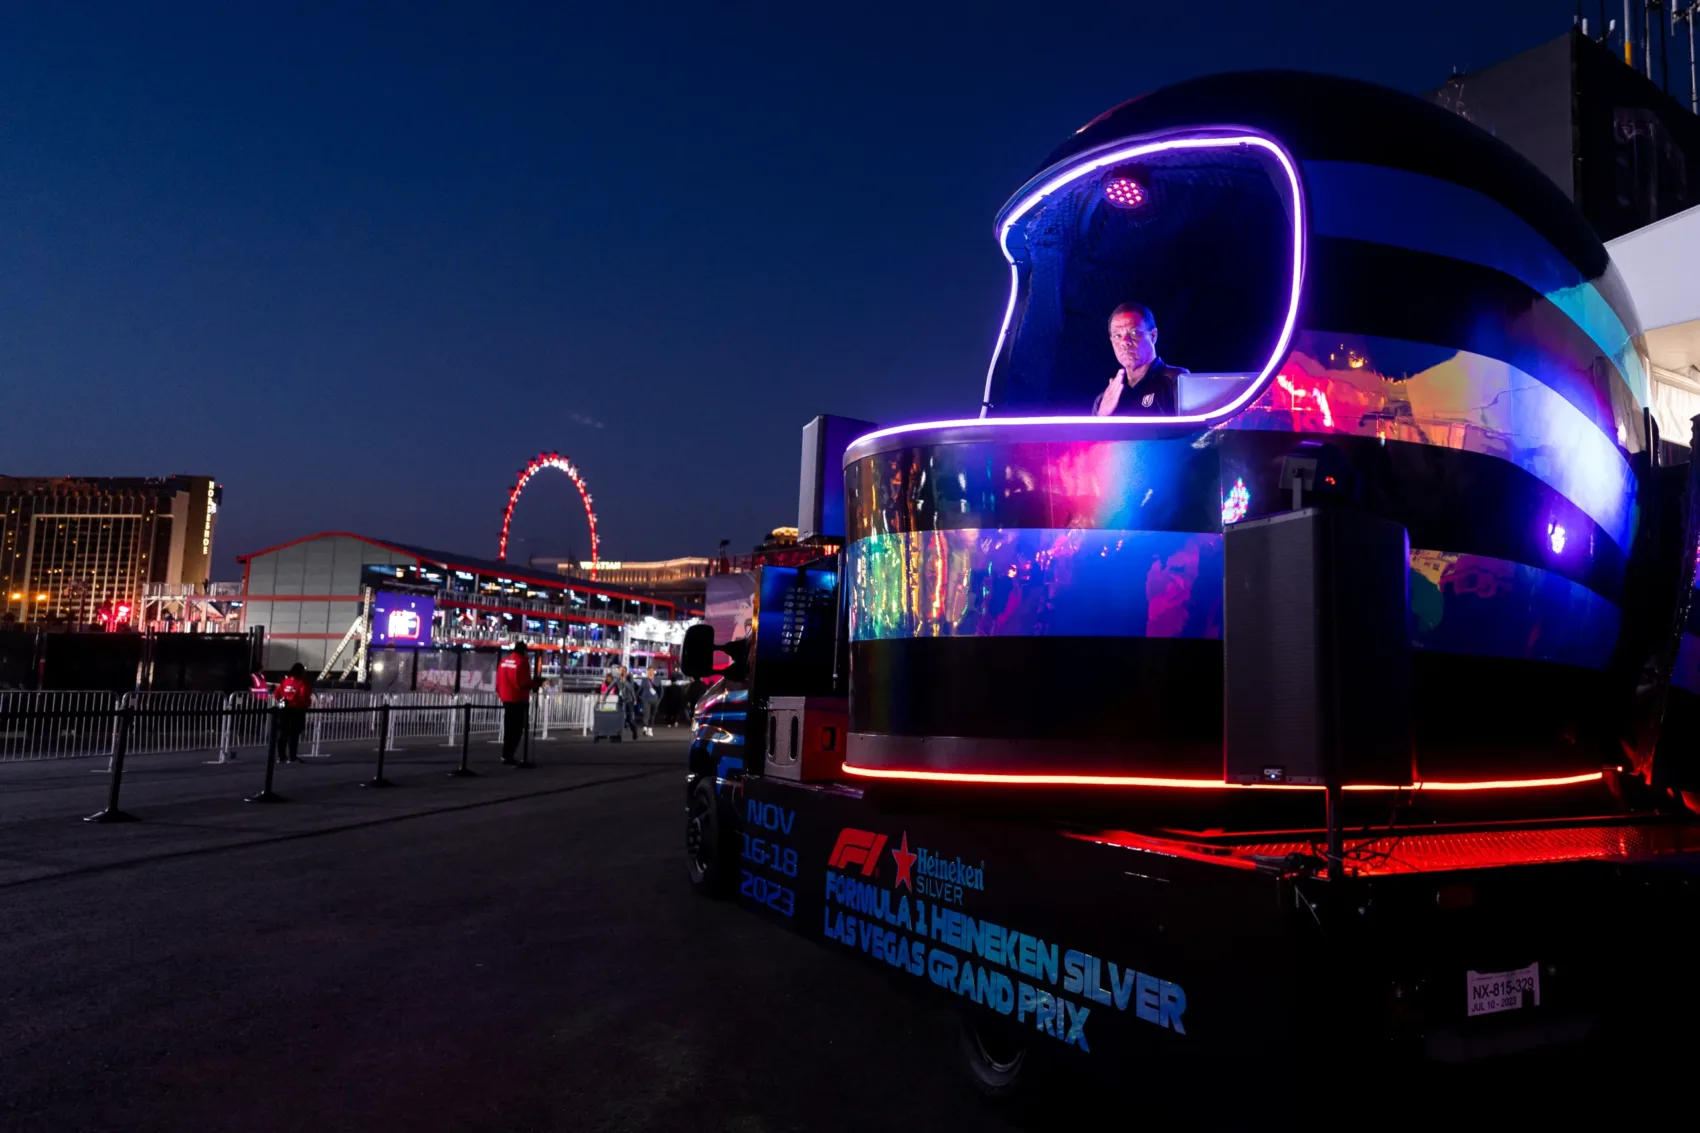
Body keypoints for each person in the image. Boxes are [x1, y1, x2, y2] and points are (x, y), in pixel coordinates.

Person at [1090, 302, 1188, 416]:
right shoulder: (1105, 398)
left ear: (1153, 336)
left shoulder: (1177, 380)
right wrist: (1102, 415)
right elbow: (1095, 427)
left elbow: (1195, 427)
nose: (1124, 342)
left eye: (1134, 332)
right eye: (1117, 336)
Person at [496, 642, 537, 764]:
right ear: (524, 651)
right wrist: (535, 684)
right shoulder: (522, 662)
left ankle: (505, 754)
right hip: (518, 699)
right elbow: (522, 683)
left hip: (505, 698)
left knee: (508, 728)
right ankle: (509, 755)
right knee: (517, 729)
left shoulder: (503, 661)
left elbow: (498, 681)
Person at [274, 663, 313, 763]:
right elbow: (304, 695)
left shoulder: (286, 681)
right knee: (294, 734)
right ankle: (292, 757)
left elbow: (277, 693)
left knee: (283, 733)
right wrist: (306, 704)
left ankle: (281, 756)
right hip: (297, 710)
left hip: (285, 709)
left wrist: (282, 701)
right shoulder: (303, 682)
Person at [641, 666, 662, 736]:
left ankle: (650, 729)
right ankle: (645, 727)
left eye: (652, 671)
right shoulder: (644, 680)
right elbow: (640, 689)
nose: (650, 672)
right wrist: (637, 697)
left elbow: (661, 691)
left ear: (654, 672)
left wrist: (659, 699)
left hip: (655, 700)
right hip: (646, 699)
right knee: (646, 714)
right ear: (647, 672)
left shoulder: (657, 680)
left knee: (652, 715)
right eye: (649, 671)